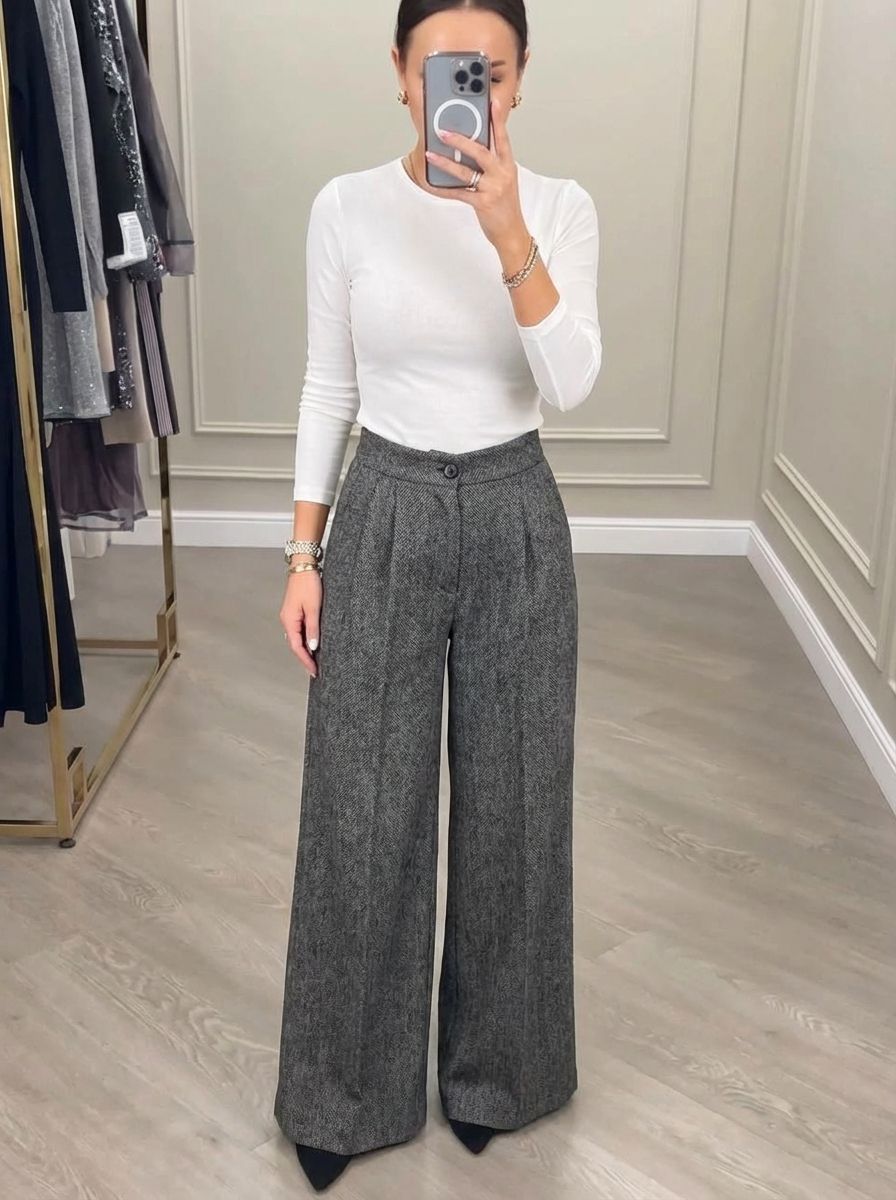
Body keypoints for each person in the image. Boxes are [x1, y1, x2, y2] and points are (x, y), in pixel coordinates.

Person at [274, 0, 602, 1190]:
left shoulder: (558, 206)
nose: (472, 92)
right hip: (385, 507)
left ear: (519, 79)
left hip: (515, 508)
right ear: (401, 75)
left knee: (515, 804)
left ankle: (497, 1074)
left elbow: (569, 381)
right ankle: (343, 1089)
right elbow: (327, 383)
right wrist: (302, 556)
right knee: (361, 807)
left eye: (493, 72)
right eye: (447, 69)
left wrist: (505, 229)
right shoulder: (345, 207)